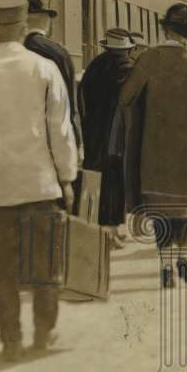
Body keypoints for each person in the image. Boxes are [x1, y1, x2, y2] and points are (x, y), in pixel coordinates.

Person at [0, 0, 78, 362]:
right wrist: (67, 178)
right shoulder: (45, 68)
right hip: (38, 183)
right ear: (22, 28)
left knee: (2, 270)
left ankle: (10, 341)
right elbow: (60, 130)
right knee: (45, 265)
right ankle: (43, 333)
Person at [119, 3, 187, 288]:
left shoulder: (148, 58)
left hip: (155, 148)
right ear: (186, 33)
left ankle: (166, 267)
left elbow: (126, 96)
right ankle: (184, 257)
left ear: (164, 29)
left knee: (160, 208)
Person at [77, 28, 135, 237]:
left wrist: (87, 123)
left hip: (94, 132)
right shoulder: (129, 68)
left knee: (96, 175)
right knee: (116, 178)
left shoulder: (95, 65)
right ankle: (112, 228)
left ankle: (94, 224)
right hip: (117, 134)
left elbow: (81, 94)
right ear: (127, 49)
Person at [23, 0, 82, 154]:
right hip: (51, 139)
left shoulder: (16, 49)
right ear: (47, 22)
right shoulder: (59, 52)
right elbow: (69, 102)